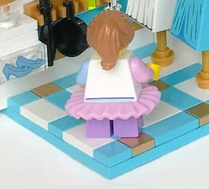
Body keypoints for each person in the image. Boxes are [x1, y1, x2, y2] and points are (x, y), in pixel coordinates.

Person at [64, 9, 160, 139]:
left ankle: (98, 132)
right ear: (126, 40)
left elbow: (81, 81)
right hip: (127, 102)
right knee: (127, 120)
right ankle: (127, 132)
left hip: (95, 102)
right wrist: (151, 70)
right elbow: (145, 76)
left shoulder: (88, 64)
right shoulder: (133, 63)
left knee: (96, 120)